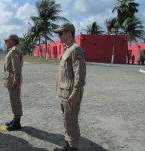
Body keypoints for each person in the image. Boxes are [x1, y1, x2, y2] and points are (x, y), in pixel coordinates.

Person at [53, 23, 86, 151]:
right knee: (66, 121)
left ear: (68, 32)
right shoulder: (67, 49)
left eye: (60, 33)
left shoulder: (76, 49)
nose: (59, 36)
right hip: (63, 93)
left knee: (71, 123)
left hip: (70, 94)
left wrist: (75, 93)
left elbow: (80, 75)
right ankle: (67, 145)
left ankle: (73, 148)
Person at [3, 34, 23, 131]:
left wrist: (15, 81)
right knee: (14, 99)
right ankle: (15, 118)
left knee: (15, 100)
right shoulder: (13, 49)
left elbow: (16, 68)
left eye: (8, 41)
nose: (6, 42)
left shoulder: (14, 51)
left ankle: (17, 122)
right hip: (11, 78)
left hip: (13, 78)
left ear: (13, 41)